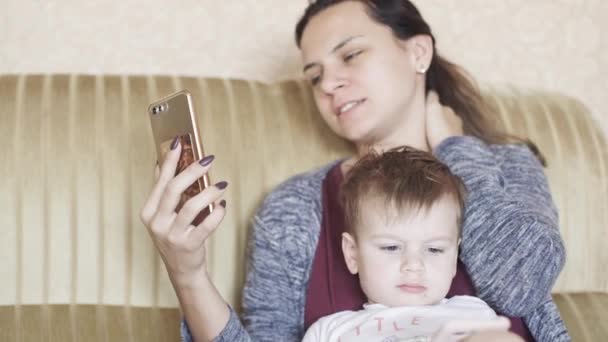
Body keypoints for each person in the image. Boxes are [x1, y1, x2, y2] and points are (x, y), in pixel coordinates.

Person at [139, 1, 569, 341]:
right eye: (315, 76)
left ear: (417, 51)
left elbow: (519, 286)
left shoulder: (504, 164)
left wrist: (457, 151)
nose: (329, 84)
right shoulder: (295, 206)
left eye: (351, 54)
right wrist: (188, 274)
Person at [302, 146, 518, 342]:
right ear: (352, 254)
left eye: (434, 249)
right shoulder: (331, 331)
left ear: (454, 258)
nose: (414, 265)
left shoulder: (473, 314)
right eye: (391, 247)